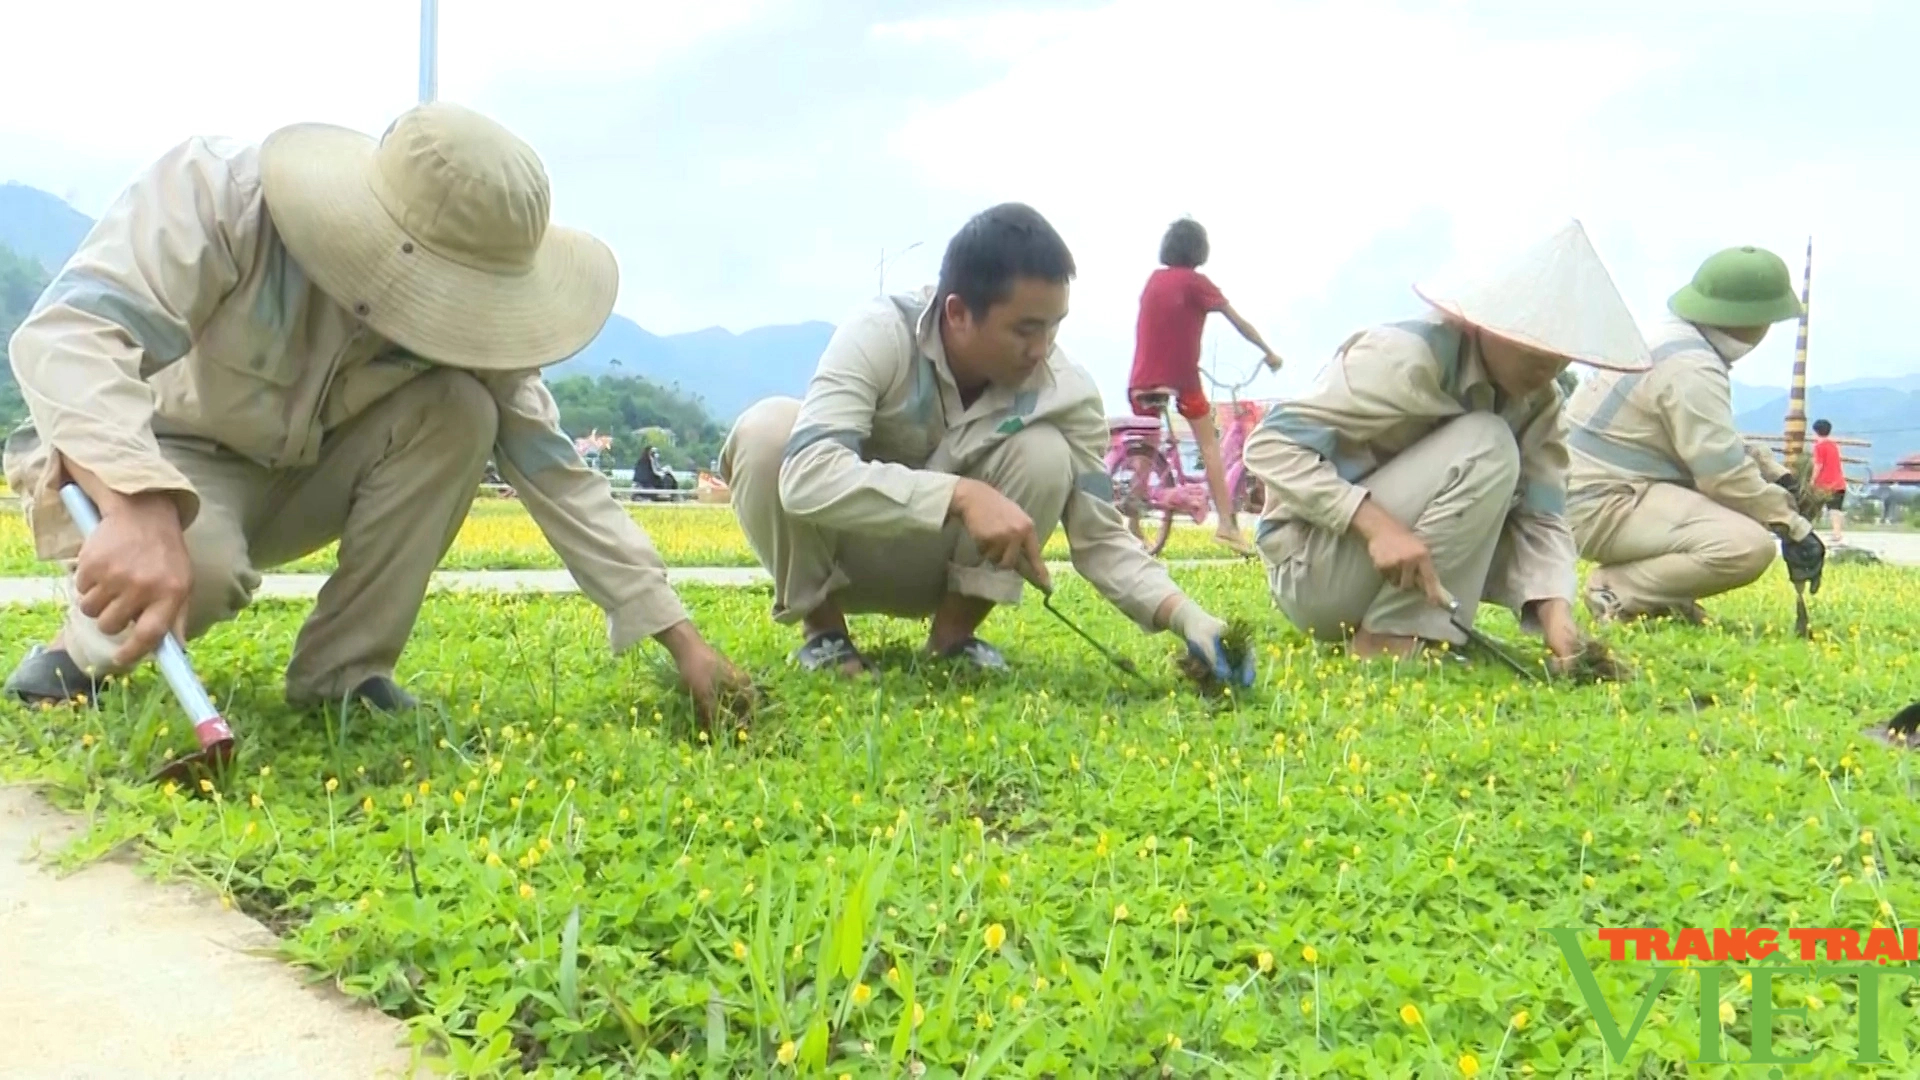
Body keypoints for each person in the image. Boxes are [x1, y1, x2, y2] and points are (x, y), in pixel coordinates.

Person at [2, 102, 753, 723]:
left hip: (307, 476)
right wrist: (134, 497)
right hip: (170, 461)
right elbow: (69, 335)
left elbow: (558, 475)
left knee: (460, 409)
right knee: (201, 570)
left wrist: (679, 636)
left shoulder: (475, 330)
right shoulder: (222, 197)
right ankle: (75, 656)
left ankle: (345, 674)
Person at [719, 203, 1246, 682]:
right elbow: (807, 474)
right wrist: (960, 495)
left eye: (1054, 327)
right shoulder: (880, 333)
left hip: (943, 568)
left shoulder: (1066, 391)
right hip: (839, 556)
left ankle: (954, 640)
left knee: (1045, 454)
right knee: (768, 431)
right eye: (1024, 329)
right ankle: (826, 635)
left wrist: (1187, 616)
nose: (1041, 350)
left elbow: (1101, 535)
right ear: (957, 314)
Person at [1242, 220, 1645, 671]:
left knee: (1499, 457)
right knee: (1488, 443)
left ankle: (1412, 625)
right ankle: (1393, 635)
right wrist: (1375, 524)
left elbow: (1542, 516)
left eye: (1561, 349)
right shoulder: (1405, 357)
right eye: (1533, 342)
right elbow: (1271, 445)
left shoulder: (1539, 404)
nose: (1548, 364)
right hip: (1312, 569)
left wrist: (1557, 618)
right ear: (1488, 321)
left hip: (1392, 573)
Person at [1563, 244, 1825, 624]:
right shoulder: (1692, 368)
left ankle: (1658, 597)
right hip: (1601, 503)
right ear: (1756, 318)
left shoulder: (1669, 340)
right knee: (1745, 546)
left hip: (1587, 490)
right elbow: (1723, 476)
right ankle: (1617, 590)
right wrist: (1793, 525)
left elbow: (1715, 444)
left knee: (1740, 518)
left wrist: (1773, 473)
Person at [1126, 218, 1284, 557]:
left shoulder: (1154, 280)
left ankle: (1133, 520)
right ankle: (1227, 526)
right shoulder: (1196, 283)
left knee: (1147, 447)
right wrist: (1269, 353)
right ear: (1199, 249)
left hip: (1141, 379)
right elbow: (1239, 322)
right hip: (1181, 380)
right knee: (1209, 445)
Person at [1812, 419, 1847, 543]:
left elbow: (1818, 465)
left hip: (1825, 483)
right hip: (1839, 482)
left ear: (1815, 431)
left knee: (1816, 506)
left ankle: (1809, 530)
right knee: (1836, 509)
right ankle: (1837, 533)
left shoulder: (1819, 446)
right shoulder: (1834, 445)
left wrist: (1812, 480)